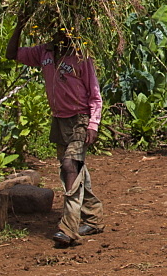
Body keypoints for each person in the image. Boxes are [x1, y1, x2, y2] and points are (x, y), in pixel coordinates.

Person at [6, 13, 104, 247]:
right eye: (57, 29)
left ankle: (69, 227)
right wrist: (20, 24)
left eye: (65, 30)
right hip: (59, 120)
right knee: (75, 167)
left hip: (80, 119)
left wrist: (93, 124)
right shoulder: (44, 53)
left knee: (71, 167)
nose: (60, 34)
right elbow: (12, 54)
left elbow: (95, 95)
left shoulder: (82, 57)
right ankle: (94, 216)